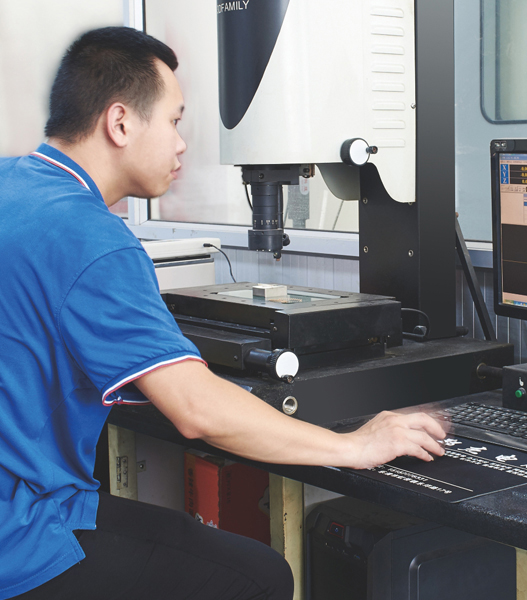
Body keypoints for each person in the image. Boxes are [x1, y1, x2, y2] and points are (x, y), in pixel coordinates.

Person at [0, 27, 445, 600]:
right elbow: (196, 411)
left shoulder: (14, 183)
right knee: (259, 576)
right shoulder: (92, 237)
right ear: (120, 123)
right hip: (22, 534)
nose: (182, 144)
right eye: (174, 121)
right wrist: (354, 446)